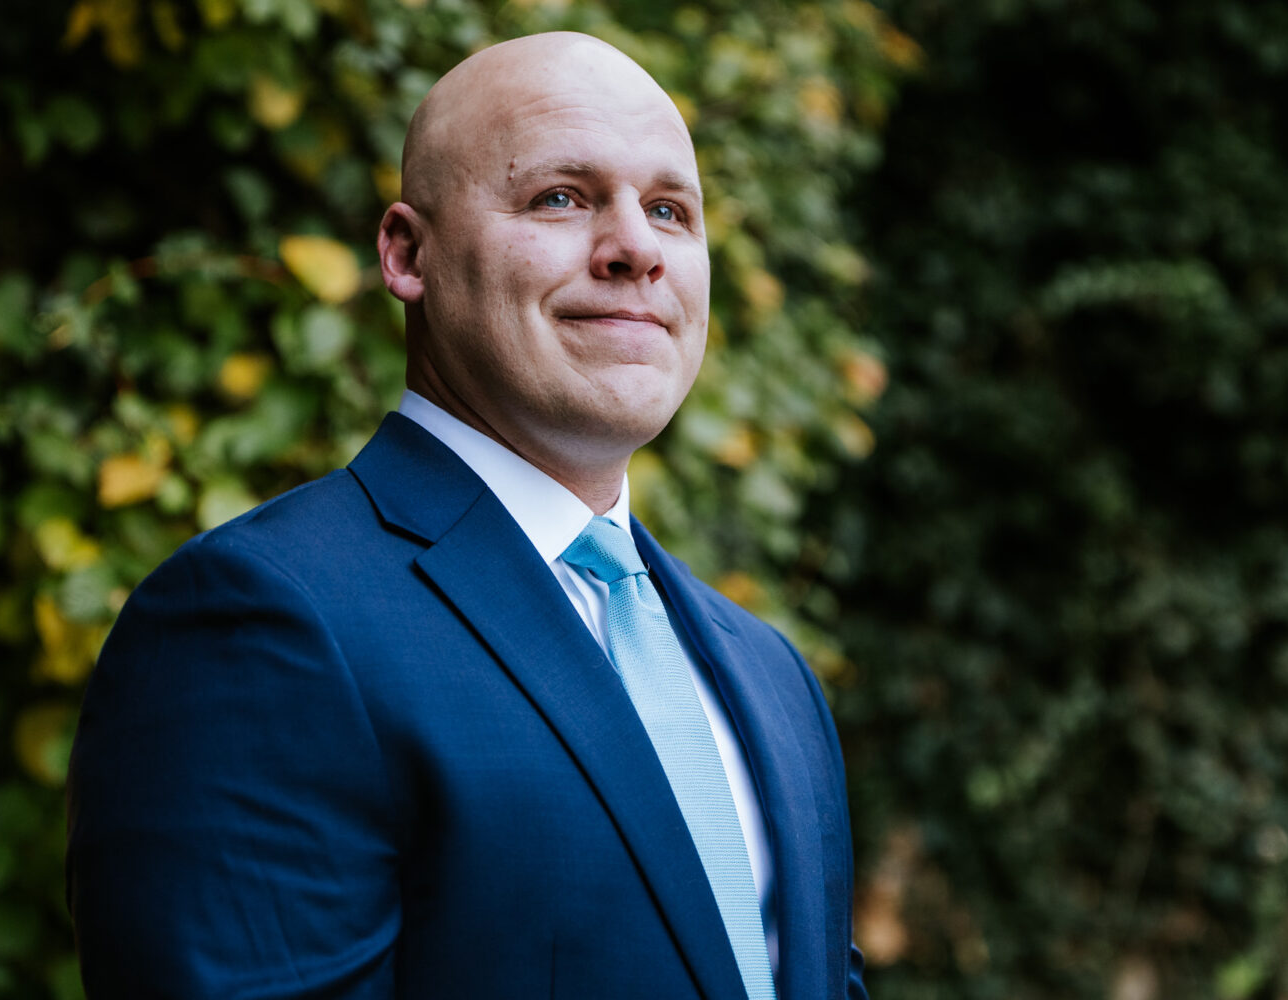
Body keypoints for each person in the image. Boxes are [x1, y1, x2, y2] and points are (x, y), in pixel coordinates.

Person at [66, 31, 868, 1000]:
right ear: (407, 253)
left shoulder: (770, 675)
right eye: (561, 197)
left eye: (669, 209)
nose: (636, 250)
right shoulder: (261, 622)